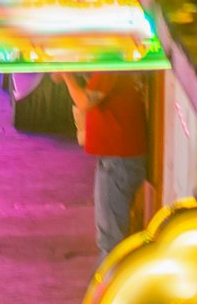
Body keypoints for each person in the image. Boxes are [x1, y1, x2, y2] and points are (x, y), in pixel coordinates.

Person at [69, 70, 155, 259]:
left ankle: (108, 286)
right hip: (121, 158)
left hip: (118, 160)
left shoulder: (109, 67)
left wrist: (65, 76)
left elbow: (85, 101)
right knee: (112, 236)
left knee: (110, 242)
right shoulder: (115, 67)